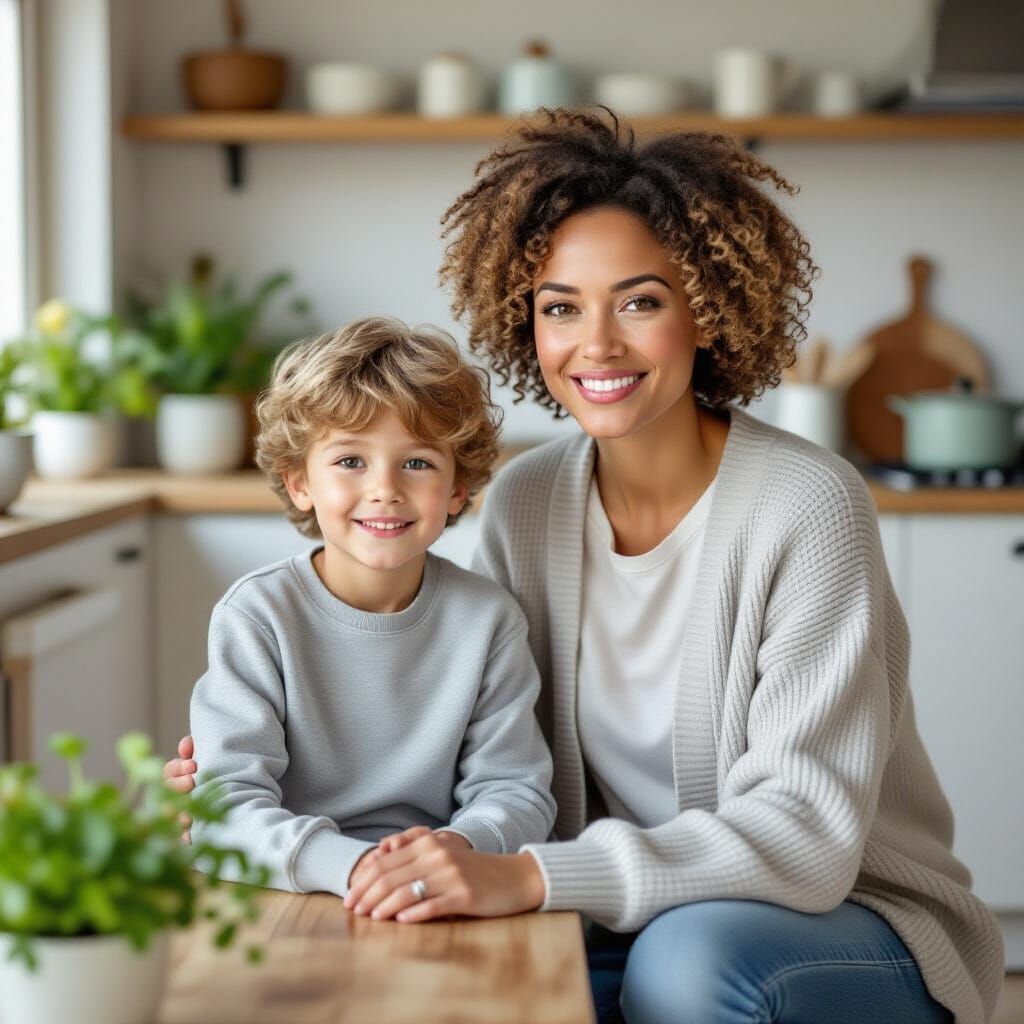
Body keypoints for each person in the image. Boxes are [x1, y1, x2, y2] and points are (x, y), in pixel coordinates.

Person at [167, 110, 1003, 1023]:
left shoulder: (808, 505)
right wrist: (253, 783)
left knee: (686, 965)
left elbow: (804, 838)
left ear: (709, 310)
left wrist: (528, 875)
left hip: (840, 921)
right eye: (561, 307)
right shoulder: (528, 502)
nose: (595, 345)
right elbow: (484, 738)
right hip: (617, 911)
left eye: (640, 301)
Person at [186, 315, 555, 906]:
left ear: (458, 488)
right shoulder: (257, 615)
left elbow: (517, 794)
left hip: (441, 890)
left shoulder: (488, 620)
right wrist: (356, 868)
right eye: (351, 461)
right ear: (300, 482)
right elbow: (221, 807)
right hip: (289, 889)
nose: (385, 489)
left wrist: (457, 854)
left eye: (417, 463)